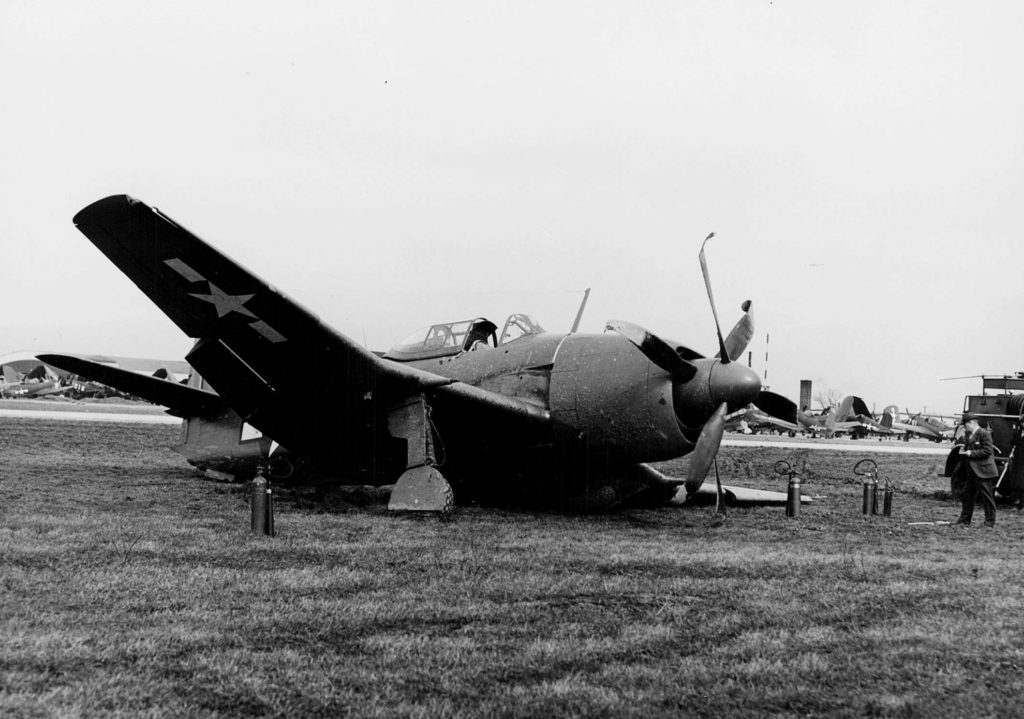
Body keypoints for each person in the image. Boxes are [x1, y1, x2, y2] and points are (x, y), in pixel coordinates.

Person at [954, 413, 999, 527]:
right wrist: (964, 450)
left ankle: (989, 522)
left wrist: (971, 453)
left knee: (987, 498)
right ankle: (965, 520)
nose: (964, 428)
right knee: (967, 495)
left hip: (983, 472)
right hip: (973, 472)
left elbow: (987, 451)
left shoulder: (984, 434)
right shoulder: (970, 434)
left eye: (965, 425)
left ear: (971, 423)